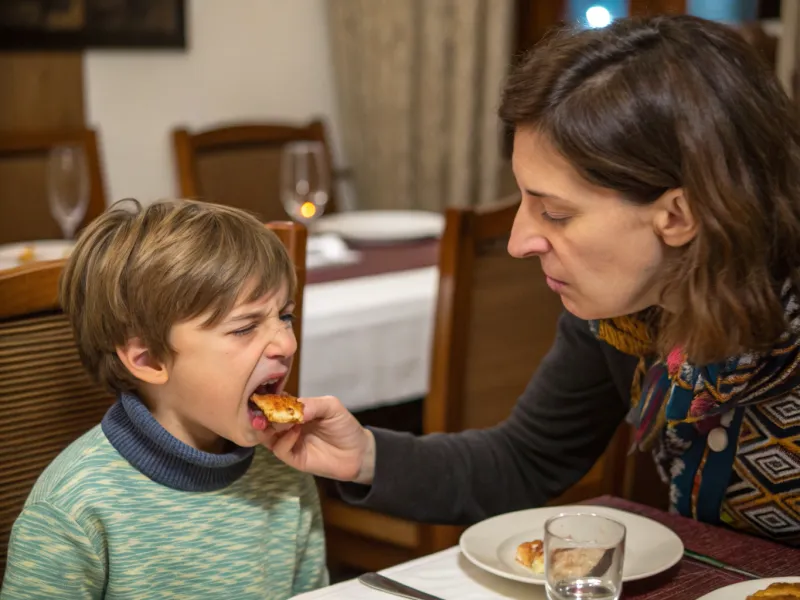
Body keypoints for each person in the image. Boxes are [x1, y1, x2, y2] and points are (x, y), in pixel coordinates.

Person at [265, 14, 800, 547]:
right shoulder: (624, 316)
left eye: (557, 214)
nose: (520, 241)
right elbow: (523, 459)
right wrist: (363, 456)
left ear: (680, 215)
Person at [1, 200, 327, 598]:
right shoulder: (75, 507)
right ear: (150, 359)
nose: (286, 342)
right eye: (245, 328)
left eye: (286, 317)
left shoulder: (285, 466)